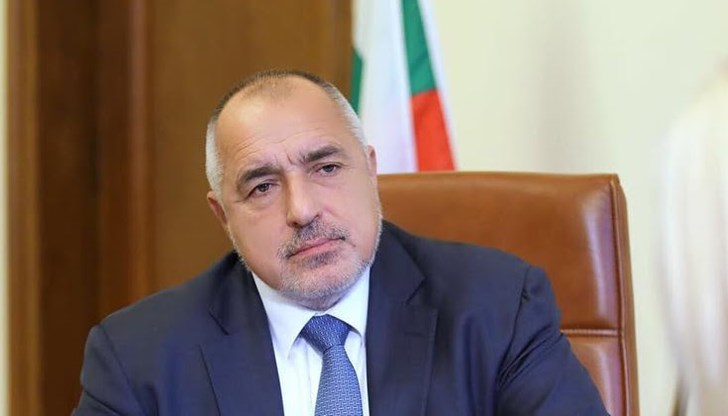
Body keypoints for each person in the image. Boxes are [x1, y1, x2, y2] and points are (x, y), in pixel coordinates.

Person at [75, 69, 607, 415]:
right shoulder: (139, 358)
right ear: (223, 216)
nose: (302, 210)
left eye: (326, 167)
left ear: (371, 170)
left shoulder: (496, 308)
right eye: (262, 187)